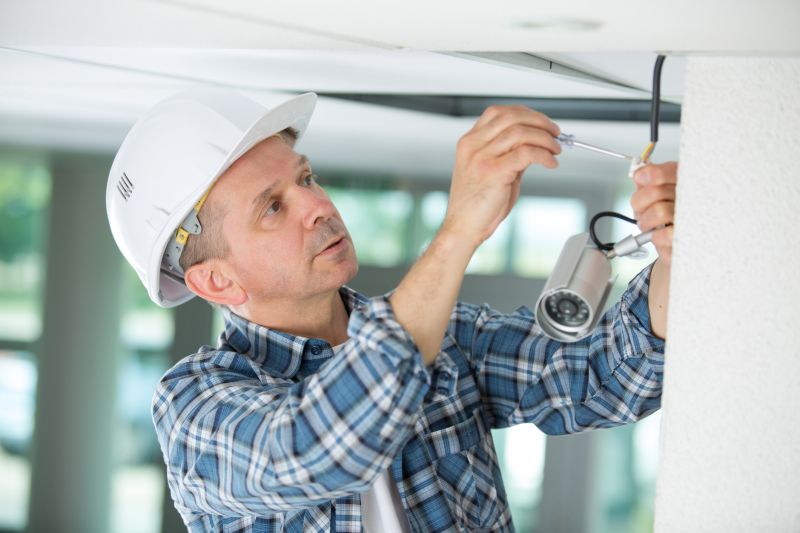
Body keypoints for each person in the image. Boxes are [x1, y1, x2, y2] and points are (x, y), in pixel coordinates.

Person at [106, 89, 676, 532]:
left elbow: (607, 374)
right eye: (273, 207)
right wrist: (457, 234)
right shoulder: (194, 406)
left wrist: (678, 251)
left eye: (305, 177)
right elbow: (320, 446)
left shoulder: (447, 338)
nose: (318, 204)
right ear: (217, 280)